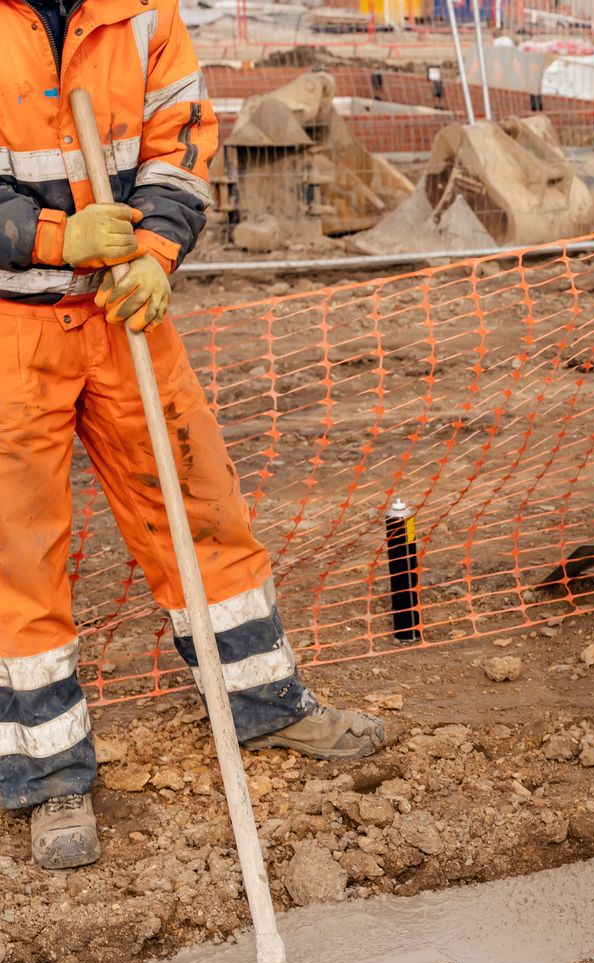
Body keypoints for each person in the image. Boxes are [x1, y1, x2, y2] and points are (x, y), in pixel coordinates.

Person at [0, 0, 385, 872]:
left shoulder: (142, 13)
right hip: (13, 328)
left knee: (201, 504)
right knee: (18, 552)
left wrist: (154, 252)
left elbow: (180, 147)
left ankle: (262, 702)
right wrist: (57, 234)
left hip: (124, 307)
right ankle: (46, 772)